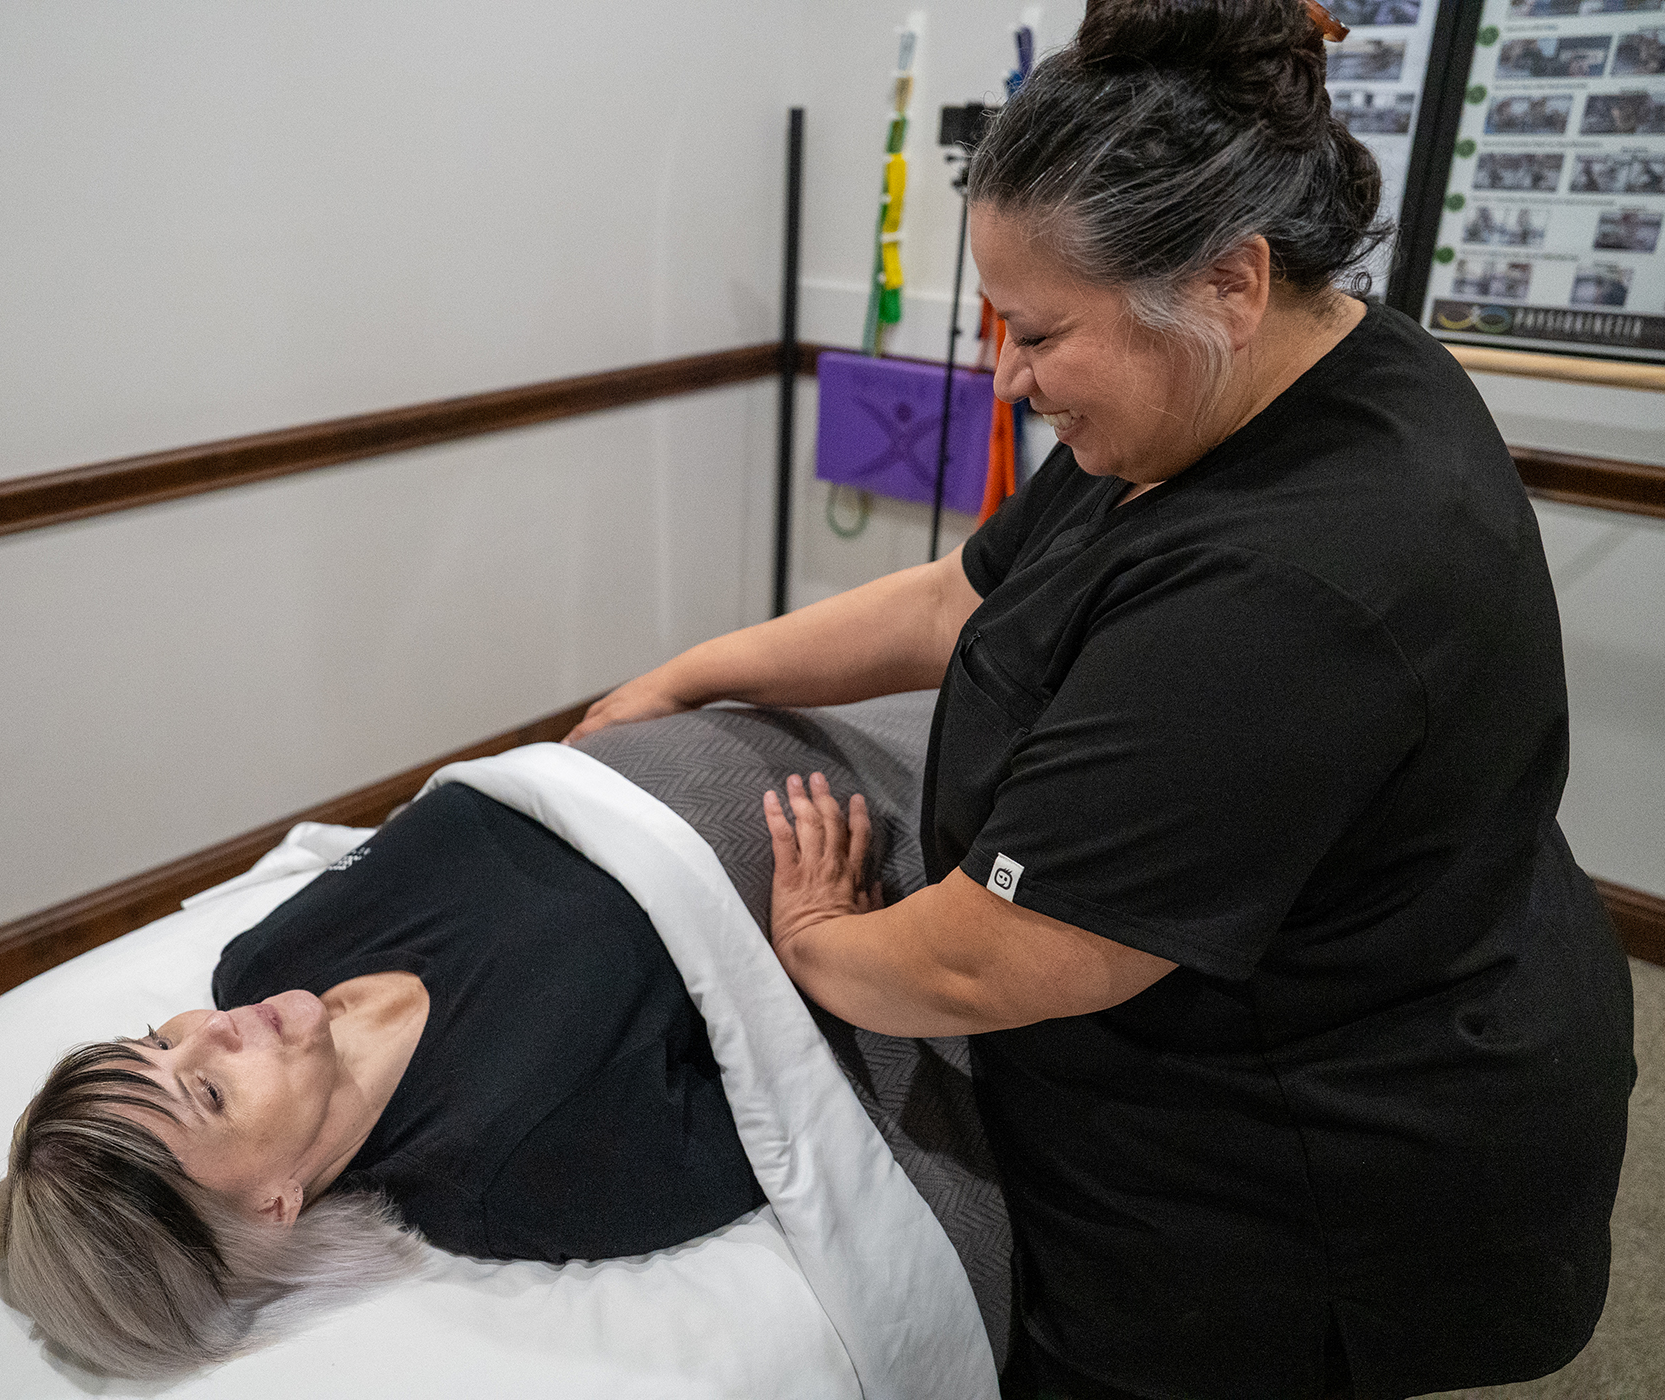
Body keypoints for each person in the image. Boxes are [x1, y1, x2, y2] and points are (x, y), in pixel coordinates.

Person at [569, 0, 1637, 1396]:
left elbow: (991, 957)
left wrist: (822, 938)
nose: (1007, 378)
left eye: (1039, 335)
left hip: (1313, 1155)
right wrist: (692, 671)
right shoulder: (1222, 380)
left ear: (1231, 281)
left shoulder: (1292, 586)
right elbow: (965, 596)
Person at [0, 782, 764, 1379]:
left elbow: (416, 827)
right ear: (273, 1204)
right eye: (207, 1092)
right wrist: (820, 944)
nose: (210, 1028)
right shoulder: (514, 1168)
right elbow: (802, 1095)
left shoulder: (259, 960)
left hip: (662, 728)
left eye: (156, 1041)